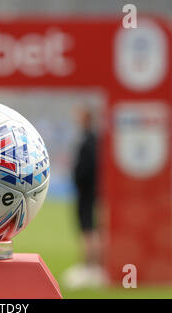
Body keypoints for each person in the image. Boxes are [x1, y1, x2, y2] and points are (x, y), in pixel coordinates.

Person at [62, 106, 105, 289]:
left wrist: (79, 178)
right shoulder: (90, 139)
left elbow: (89, 169)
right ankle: (91, 266)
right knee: (89, 229)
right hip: (89, 192)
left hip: (88, 192)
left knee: (89, 230)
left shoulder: (90, 141)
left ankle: (91, 267)